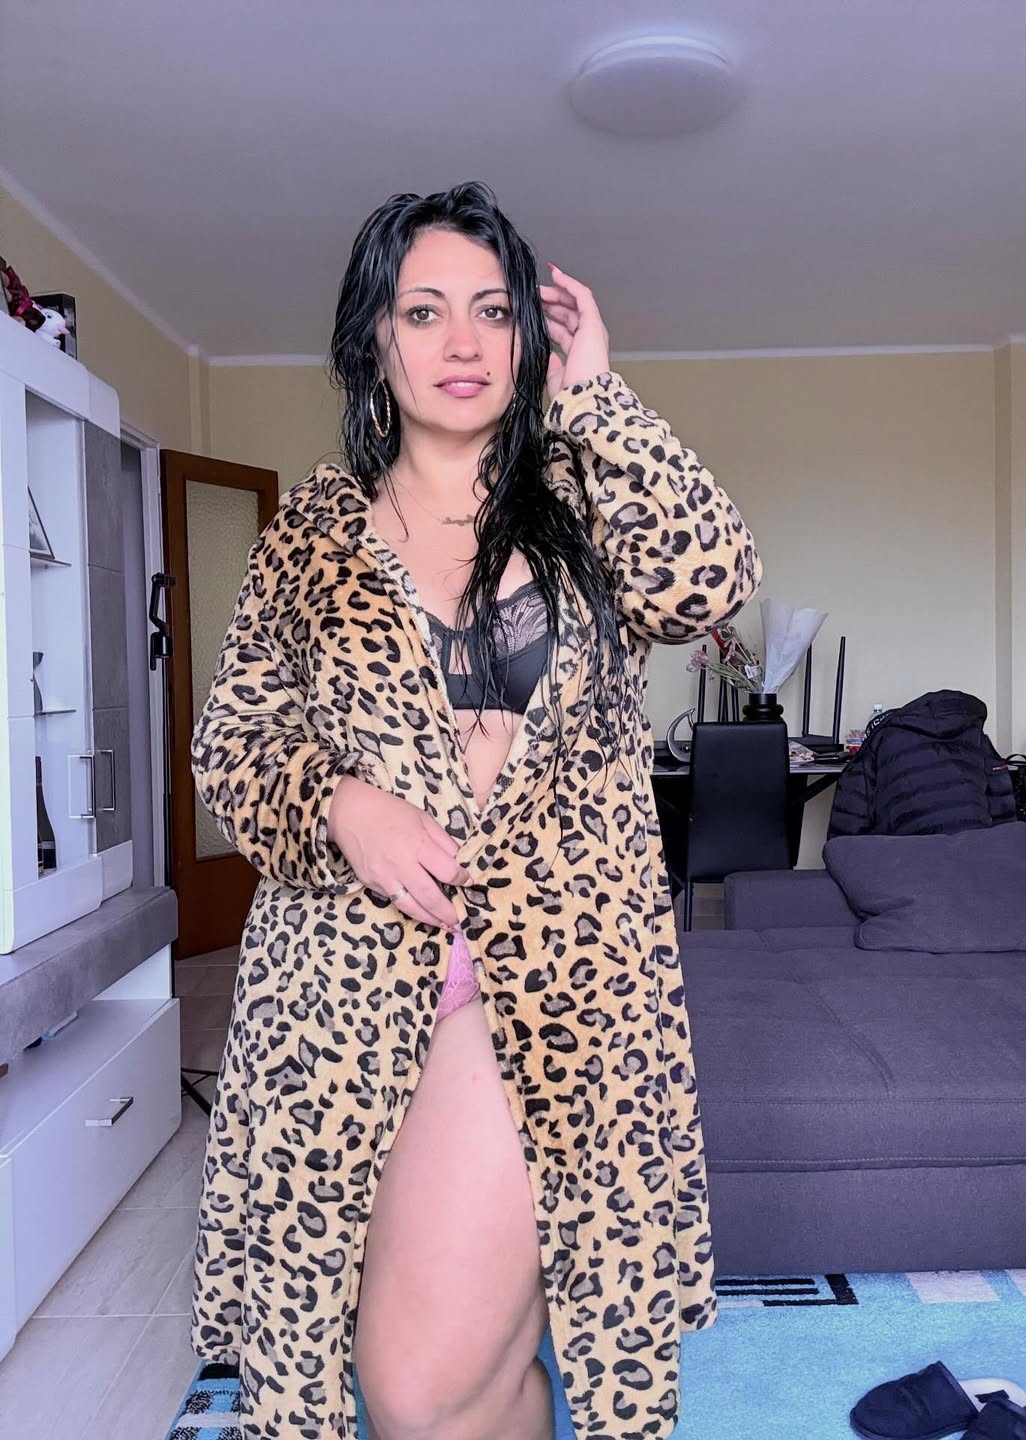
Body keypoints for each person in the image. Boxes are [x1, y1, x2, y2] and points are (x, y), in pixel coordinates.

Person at [190, 181, 762, 1440]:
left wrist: (596, 399)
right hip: (344, 983)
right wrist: (340, 801)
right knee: (404, 1349)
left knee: (415, 1382)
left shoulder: (584, 507)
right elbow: (233, 744)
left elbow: (710, 578)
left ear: (528, 338)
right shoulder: (308, 540)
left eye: (494, 311)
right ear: (374, 338)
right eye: (425, 310)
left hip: (555, 969)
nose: (462, 341)